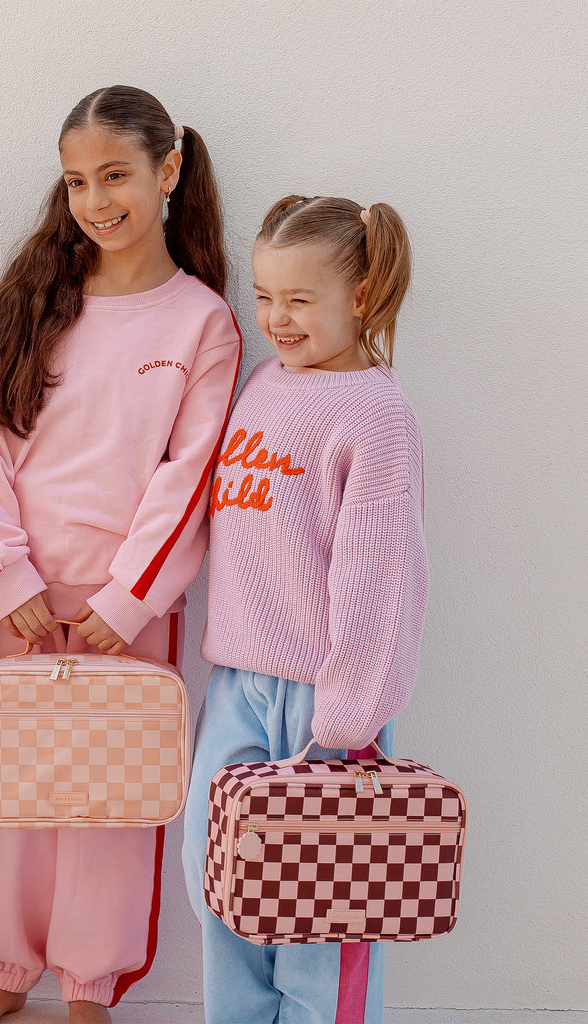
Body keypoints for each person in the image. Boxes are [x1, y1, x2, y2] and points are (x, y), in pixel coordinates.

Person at [0, 86, 242, 1024]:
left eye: (115, 175)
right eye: (76, 181)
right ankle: (4, 971)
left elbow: (191, 476)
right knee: (8, 795)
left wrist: (125, 602)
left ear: (168, 169)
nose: (95, 200)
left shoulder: (203, 322)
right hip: (20, 603)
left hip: (127, 611)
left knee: (111, 803)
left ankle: (89, 986)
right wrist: (8, 579)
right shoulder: (36, 304)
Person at [181, 195, 429, 1023]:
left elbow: (381, 578)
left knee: (322, 913)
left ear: (360, 297)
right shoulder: (264, 384)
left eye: (297, 299)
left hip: (326, 700)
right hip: (238, 683)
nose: (275, 319)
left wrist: (346, 718)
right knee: (220, 882)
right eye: (263, 296)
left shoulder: (376, 415)